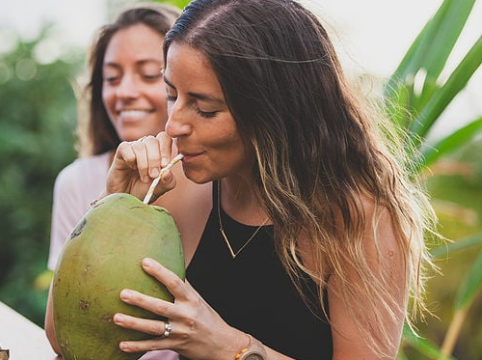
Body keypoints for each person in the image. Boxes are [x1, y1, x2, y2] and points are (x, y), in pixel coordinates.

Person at [99, 0, 439, 359]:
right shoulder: (179, 189)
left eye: (205, 109)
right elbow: (76, 341)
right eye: (172, 95)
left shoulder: (358, 219)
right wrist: (114, 212)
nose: (173, 125)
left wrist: (229, 347)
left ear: (272, 111)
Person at [43, 3, 181, 358]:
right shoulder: (77, 180)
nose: (125, 92)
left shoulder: (212, 181)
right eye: (112, 77)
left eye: (150, 75)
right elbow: (64, 335)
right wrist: (110, 199)